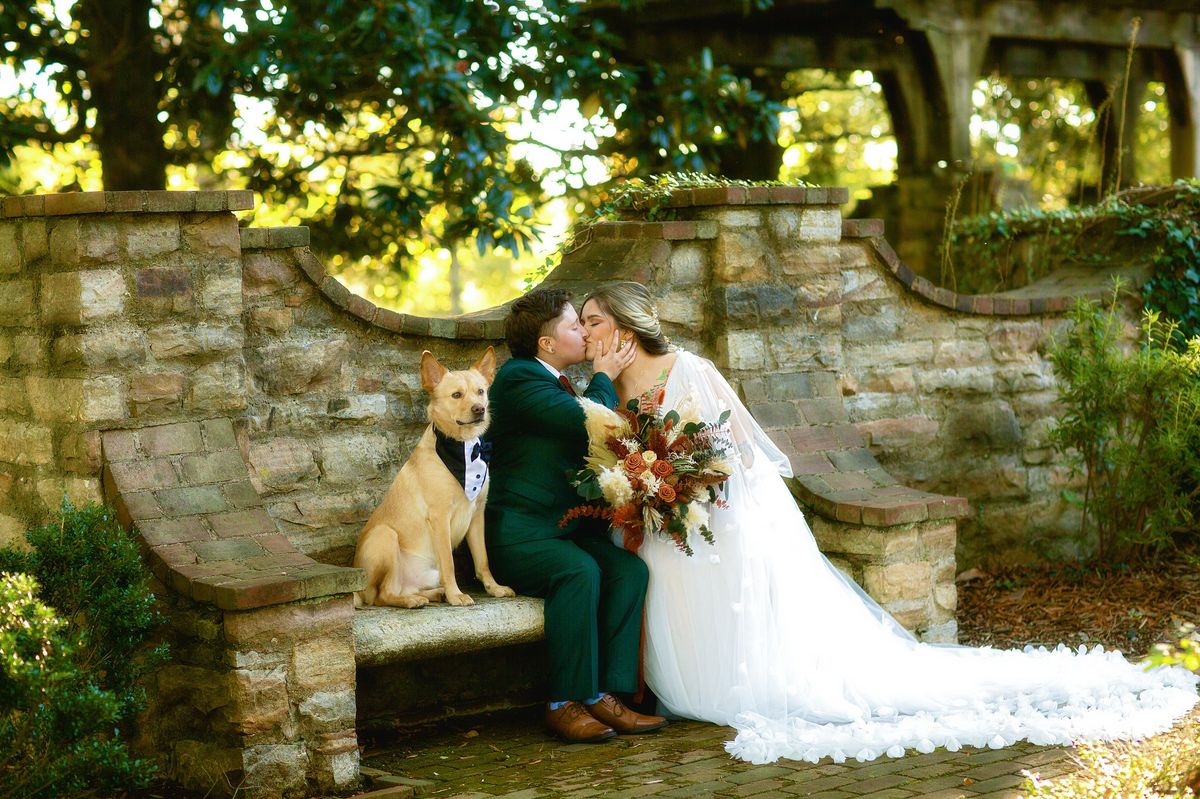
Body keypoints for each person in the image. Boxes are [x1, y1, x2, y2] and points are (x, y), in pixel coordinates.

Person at [577, 281, 1199, 765]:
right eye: (579, 323)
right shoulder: (597, 389)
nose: (586, 331)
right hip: (656, 522)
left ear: (629, 324)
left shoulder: (689, 369)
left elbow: (734, 448)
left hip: (714, 514)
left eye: (595, 320)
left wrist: (692, 485)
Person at [484, 287, 669, 744]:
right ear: (547, 343)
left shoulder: (556, 379)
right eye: (574, 325)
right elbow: (589, 421)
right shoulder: (518, 378)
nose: (583, 333)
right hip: (521, 537)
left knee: (628, 571)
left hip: (563, 532)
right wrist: (604, 373)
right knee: (579, 571)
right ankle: (562, 702)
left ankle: (609, 694)